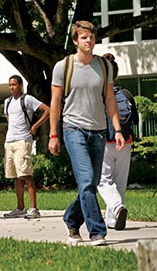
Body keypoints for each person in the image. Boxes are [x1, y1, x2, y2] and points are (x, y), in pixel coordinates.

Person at [48, 21, 125, 246]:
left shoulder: (104, 66)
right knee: (86, 181)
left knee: (89, 183)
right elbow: (54, 103)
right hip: (73, 129)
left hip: (99, 131)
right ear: (75, 41)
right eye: (83, 37)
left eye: (91, 37)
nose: (88, 41)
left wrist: (117, 129)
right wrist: (53, 135)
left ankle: (71, 219)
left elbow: (109, 99)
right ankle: (97, 232)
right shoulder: (63, 66)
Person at [98, 53, 139, 231]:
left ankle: (117, 208)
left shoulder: (99, 94)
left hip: (106, 141)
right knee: (120, 182)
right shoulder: (126, 93)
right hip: (126, 141)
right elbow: (135, 120)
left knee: (103, 181)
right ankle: (113, 220)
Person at [3, 75, 50, 219]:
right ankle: (20, 207)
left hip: (23, 140)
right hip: (10, 141)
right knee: (15, 176)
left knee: (26, 174)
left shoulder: (28, 99)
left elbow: (47, 110)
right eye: (10, 85)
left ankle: (34, 208)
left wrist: (35, 126)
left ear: (21, 85)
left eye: (14, 85)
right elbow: (8, 118)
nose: (12, 87)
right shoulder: (7, 102)